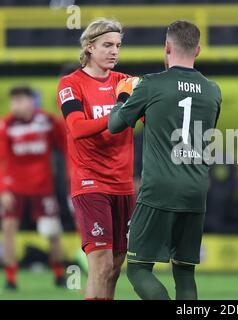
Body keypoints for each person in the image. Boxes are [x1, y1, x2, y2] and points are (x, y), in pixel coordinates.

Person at [108, 20, 221, 300]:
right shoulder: (213, 90)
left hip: (159, 188)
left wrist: (123, 95)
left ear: (167, 47)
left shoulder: (150, 84)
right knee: (184, 274)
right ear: (198, 50)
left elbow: (115, 125)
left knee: (138, 269)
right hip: (196, 189)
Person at [56, 19, 135, 300]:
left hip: (123, 184)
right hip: (90, 182)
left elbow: (150, 118)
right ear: (89, 47)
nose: (114, 51)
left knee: (114, 266)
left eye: (118, 46)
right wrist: (120, 111)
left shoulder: (126, 83)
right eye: (107, 45)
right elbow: (77, 128)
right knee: (100, 264)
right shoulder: (70, 84)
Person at [0, 86, 66, 290]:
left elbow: (65, 145)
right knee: (9, 229)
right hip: (15, 188)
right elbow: (1, 159)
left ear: (31, 101)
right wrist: (3, 189)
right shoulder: (6, 125)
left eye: (20, 100)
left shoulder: (47, 122)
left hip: (42, 188)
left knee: (52, 231)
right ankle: (11, 278)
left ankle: (59, 274)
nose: (15, 105)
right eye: (14, 101)